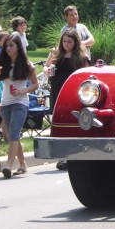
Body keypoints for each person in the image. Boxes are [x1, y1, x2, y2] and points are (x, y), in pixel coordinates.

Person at [0, 33, 39, 178]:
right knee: (14, 135)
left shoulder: (26, 64)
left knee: (13, 133)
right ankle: (23, 164)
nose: (8, 48)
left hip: (20, 102)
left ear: (18, 47)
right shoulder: (3, 64)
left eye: (11, 45)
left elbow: (35, 84)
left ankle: (8, 165)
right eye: (6, 46)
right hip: (5, 103)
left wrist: (23, 90)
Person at [46, 28, 91, 171]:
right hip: (58, 90)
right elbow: (47, 67)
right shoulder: (57, 54)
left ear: (75, 42)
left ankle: (75, 154)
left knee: (73, 122)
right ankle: (62, 156)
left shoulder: (81, 57)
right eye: (64, 41)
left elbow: (87, 72)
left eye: (69, 41)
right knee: (59, 122)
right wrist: (46, 70)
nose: (66, 44)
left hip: (73, 91)